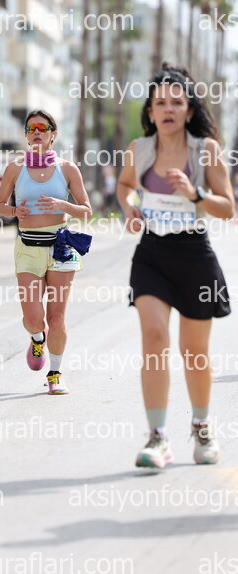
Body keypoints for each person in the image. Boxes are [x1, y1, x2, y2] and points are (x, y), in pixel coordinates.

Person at [117, 63, 234, 468]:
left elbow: (227, 207)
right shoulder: (139, 149)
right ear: (150, 111)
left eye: (176, 102)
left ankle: (202, 428)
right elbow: (125, 185)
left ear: (189, 110)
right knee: (153, 339)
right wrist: (130, 209)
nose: (168, 109)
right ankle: (158, 438)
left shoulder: (206, 150)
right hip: (152, 253)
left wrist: (195, 194)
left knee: (194, 352)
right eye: (160, 103)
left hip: (195, 256)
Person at [0, 109, 92, 394]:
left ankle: (55, 374)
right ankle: (37, 339)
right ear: (26, 136)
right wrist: (14, 211)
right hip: (28, 247)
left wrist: (63, 205)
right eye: (31, 129)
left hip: (60, 247)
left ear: (53, 134)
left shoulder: (68, 169)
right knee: (32, 317)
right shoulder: (14, 168)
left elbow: (86, 210)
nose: (37, 132)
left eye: (43, 128)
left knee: (57, 318)